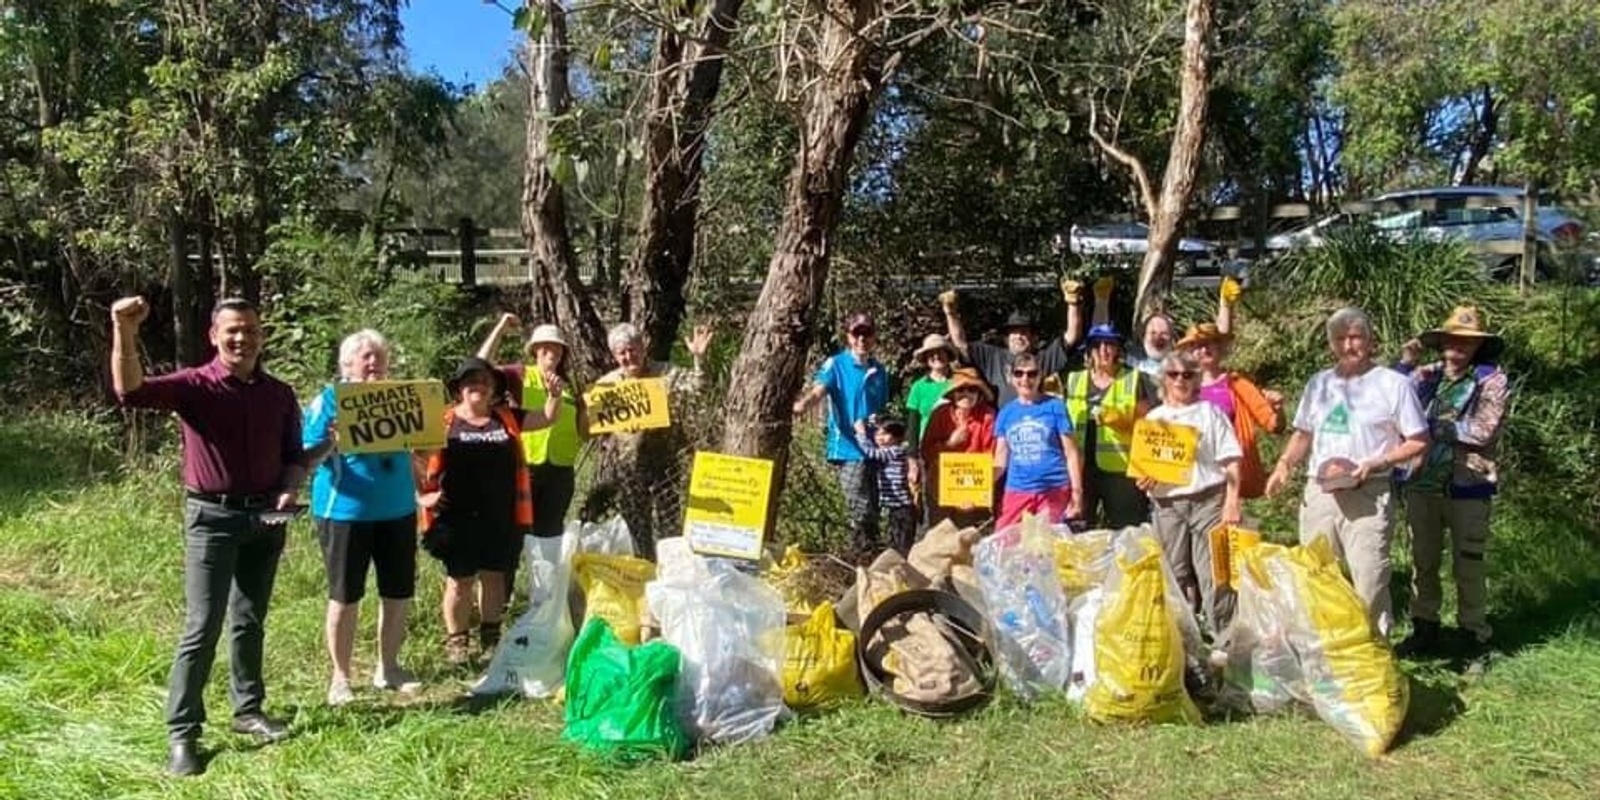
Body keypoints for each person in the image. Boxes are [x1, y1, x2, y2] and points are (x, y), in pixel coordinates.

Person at [110, 295, 307, 777]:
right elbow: (130, 391)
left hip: (266, 520)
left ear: (261, 336)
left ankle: (248, 711)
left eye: (251, 331)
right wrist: (125, 332)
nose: (243, 338)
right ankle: (183, 734)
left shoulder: (278, 394)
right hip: (211, 520)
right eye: (233, 330)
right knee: (203, 626)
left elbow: (294, 456)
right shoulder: (194, 386)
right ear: (214, 336)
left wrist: (288, 488)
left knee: (250, 619)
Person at [1265, 307, 1429, 639]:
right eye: (1340, 339)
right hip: (1320, 492)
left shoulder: (1392, 384)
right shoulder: (1319, 383)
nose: (1348, 345)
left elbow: (1418, 441)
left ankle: (1373, 655)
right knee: (1315, 574)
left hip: (1369, 492)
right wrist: (1284, 465)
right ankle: (1323, 653)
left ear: (1370, 342)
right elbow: (1303, 434)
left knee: (1369, 579)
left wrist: (1377, 462)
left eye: (1355, 337)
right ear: (1331, 344)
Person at [417, 356, 562, 665]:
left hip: (502, 514)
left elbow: (546, 419)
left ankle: (490, 640)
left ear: (494, 386)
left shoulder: (507, 417)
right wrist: (421, 496)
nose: (477, 385)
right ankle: (457, 645)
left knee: (494, 577)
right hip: (455, 516)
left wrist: (554, 396)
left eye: (484, 380)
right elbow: (413, 455)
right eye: (470, 380)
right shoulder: (442, 421)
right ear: (459, 388)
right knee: (460, 580)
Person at [302, 330, 421, 706]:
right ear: (347, 364)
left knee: (398, 592)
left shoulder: (402, 398)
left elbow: (422, 448)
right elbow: (306, 456)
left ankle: (388, 667)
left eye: (379, 356)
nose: (374, 363)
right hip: (344, 513)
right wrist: (332, 441)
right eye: (366, 356)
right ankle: (340, 676)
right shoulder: (330, 400)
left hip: (398, 510)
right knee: (345, 595)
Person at [1393, 306, 1511, 657]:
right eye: (1452, 340)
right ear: (1442, 343)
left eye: (1466, 342)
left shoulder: (1492, 380)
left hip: (1468, 485)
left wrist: (1425, 429)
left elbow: (1482, 431)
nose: (1456, 348)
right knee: (1422, 561)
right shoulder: (1427, 375)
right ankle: (1424, 628)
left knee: (1468, 564)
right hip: (1422, 484)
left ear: (1477, 347)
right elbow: (1386, 393)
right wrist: (1404, 362)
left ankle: (1473, 637)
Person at [477, 313, 584, 591]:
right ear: (535, 351)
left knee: (549, 540)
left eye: (557, 347)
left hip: (560, 473)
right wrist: (500, 328)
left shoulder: (571, 387)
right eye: (545, 346)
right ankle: (501, 604)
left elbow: (584, 428)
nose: (552, 351)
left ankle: (543, 604)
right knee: (512, 538)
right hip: (522, 471)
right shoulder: (517, 375)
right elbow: (479, 368)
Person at [1139, 352, 1244, 636]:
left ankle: (1225, 641)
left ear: (1196, 378)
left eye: (1187, 374)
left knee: (1215, 574)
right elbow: (1143, 469)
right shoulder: (1153, 418)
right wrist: (1146, 477)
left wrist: (1232, 503)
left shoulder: (1210, 413)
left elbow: (1231, 459)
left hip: (1209, 500)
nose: (1180, 380)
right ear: (1163, 379)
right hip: (1167, 506)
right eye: (1173, 374)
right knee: (1173, 574)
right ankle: (1183, 640)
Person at [589, 321, 712, 560]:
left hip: (664, 461)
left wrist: (698, 359)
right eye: (622, 352)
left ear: (642, 347)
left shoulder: (665, 373)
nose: (628, 356)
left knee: (668, 522)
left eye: (632, 349)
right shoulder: (606, 385)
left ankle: (671, 571)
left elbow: (699, 388)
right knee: (636, 524)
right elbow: (595, 428)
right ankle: (643, 570)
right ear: (615, 356)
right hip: (628, 467)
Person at [794, 312, 891, 556]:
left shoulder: (879, 371)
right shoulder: (836, 364)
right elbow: (819, 391)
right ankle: (860, 551)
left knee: (874, 501)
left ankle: (872, 549)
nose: (861, 339)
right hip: (848, 446)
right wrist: (803, 405)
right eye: (856, 334)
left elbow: (880, 408)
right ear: (848, 336)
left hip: (874, 447)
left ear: (874, 337)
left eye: (866, 334)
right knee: (857, 501)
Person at [1063, 323, 1159, 528]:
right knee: (1078, 532)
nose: (1104, 350)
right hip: (1080, 471)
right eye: (1097, 345)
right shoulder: (1073, 379)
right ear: (1090, 350)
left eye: (1110, 344)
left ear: (1118, 349)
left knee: (1128, 532)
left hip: (1120, 472)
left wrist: (1122, 419)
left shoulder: (1133, 379)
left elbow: (1148, 425)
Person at [1175, 322, 1285, 499]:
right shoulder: (1182, 389)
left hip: (1234, 480)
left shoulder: (1237, 384)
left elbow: (1274, 425)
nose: (1203, 349)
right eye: (1196, 345)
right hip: (1194, 480)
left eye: (1208, 343)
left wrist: (1278, 410)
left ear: (1219, 347)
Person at [938, 277, 1084, 406]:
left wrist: (1073, 302)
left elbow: (1072, 336)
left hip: (1036, 424)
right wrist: (950, 313)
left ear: (1034, 339)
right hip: (1003, 425)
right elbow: (960, 343)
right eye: (1013, 333)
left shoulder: (1043, 358)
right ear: (1005, 338)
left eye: (1024, 332)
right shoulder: (992, 357)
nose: (1018, 336)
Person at [993, 353, 1084, 528]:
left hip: (1054, 489)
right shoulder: (1006, 413)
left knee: (1047, 546)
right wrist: (977, 489)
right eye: (1019, 373)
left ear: (1040, 375)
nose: (1025, 379)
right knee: (1004, 542)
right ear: (1011, 377)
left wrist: (1077, 492)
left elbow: (1071, 453)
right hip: (1017, 490)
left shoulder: (1055, 406)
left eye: (1031, 374)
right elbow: (1000, 460)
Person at [921, 368, 998, 529]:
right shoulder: (940, 414)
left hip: (974, 491)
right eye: (961, 389)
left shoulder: (988, 417)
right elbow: (926, 452)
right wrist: (950, 443)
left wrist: (973, 495)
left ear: (979, 394)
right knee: (940, 539)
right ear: (953, 393)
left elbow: (991, 457)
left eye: (972, 389)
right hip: (940, 488)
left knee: (970, 542)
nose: (966, 394)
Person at [853, 415, 920, 554]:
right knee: (895, 538)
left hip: (902, 506)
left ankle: (904, 566)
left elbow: (871, 453)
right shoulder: (889, 451)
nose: (879, 438)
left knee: (902, 541)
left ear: (897, 436)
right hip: (893, 506)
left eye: (885, 434)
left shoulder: (896, 451)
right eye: (877, 434)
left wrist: (861, 434)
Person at [904, 333, 957, 443]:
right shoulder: (918, 386)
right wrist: (912, 453)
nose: (936, 356)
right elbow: (913, 424)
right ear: (926, 359)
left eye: (940, 352)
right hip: (927, 446)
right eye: (931, 353)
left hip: (957, 447)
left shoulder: (960, 382)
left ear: (948, 355)